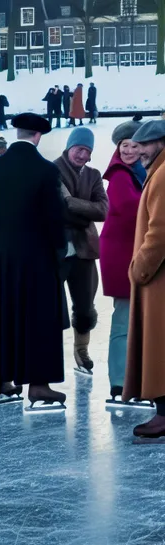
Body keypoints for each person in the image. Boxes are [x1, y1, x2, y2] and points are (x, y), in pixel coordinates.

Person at [0, 113, 68, 407]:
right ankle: (39, 384)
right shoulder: (46, 171)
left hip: (1, 255)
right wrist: (58, 251)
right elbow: (54, 218)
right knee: (40, 319)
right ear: (38, 136)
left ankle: (2, 379)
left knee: (3, 314)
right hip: (37, 256)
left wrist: (1, 232)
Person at [121, 120, 165, 437]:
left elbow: (160, 232)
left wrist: (140, 268)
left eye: (146, 145)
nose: (140, 151)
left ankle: (163, 414)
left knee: (159, 344)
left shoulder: (163, 175)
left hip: (158, 278)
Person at [54, 127, 108, 376]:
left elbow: (103, 210)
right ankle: (49, 355)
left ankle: (81, 349)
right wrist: (80, 212)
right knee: (51, 305)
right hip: (55, 249)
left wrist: (71, 203)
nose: (82, 154)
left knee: (85, 305)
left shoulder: (94, 175)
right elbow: (54, 209)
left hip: (85, 251)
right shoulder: (52, 170)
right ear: (69, 148)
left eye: (87, 151)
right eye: (79, 149)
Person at [100, 118, 145, 402]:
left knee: (136, 319)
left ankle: (135, 378)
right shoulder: (119, 174)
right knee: (124, 319)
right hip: (122, 255)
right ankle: (119, 382)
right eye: (123, 145)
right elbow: (130, 209)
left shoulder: (140, 172)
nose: (128, 150)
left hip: (134, 251)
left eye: (134, 145)